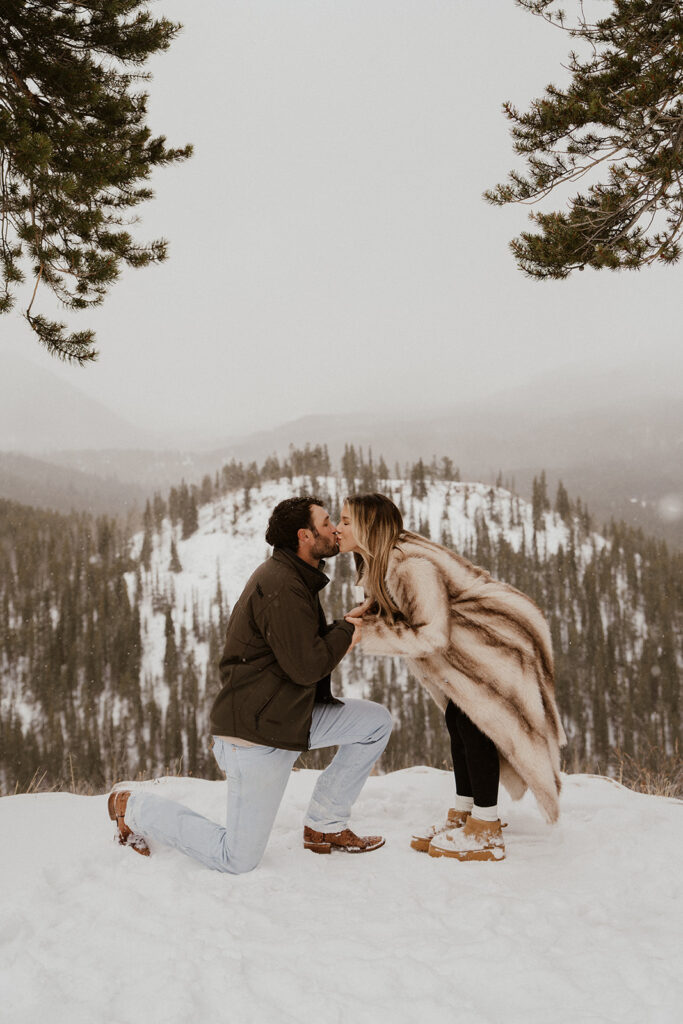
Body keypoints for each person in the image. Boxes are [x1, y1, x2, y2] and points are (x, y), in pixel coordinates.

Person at [108, 496, 392, 872]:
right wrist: (345, 631)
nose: (336, 530)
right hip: (257, 735)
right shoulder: (281, 586)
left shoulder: (294, 577)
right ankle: (133, 806)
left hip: (290, 716)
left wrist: (341, 628)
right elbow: (305, 667)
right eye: (327, 524)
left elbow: (295, 648)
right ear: (305, 536)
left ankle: (324, 825)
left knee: (375, 724)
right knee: (238, 859)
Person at [339, 493, 566, 862]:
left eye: (347, 521)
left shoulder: (410, 566)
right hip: (474, 640)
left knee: (475, 721)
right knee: (458, 718)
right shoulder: (385, 559)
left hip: (497, 637)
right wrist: (375, 610)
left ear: (369, 528)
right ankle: (466, 813)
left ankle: (486, 828)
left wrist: (369, 632)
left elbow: (432, 635)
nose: (338, 527)